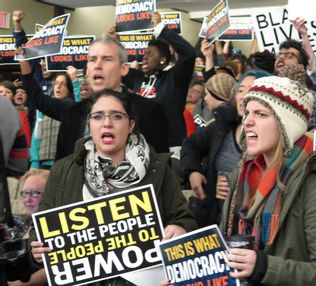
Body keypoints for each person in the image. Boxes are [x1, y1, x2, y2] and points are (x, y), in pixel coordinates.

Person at [28, 89, 196, 285]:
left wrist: (180, 228)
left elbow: (185, 219)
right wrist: (36, 249)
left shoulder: (157, 169)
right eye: (98, 116)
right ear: (89, 124)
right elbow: (41, 225)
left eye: (117, 116)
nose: (107, 123)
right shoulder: (63, 169)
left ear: (131, 124)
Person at [218, 76, 316, 285]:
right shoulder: (240, 176)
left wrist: (264, 267)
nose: (248, 121)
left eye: (261, 114)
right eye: (247, 112)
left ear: (286, 124)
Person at [19, 33, 169, 159]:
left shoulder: (150, 111)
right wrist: (23, 59)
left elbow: (160, 168)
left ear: (124, 69)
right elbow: (36, 97)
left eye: (107, 59)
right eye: (92, 59)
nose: (98, 65)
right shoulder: (72, 113)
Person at [181, 71, 270, 227]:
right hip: (214, 222)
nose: (244, 96)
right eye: (240, 90)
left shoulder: (273, 139)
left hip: (252, 228)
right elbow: (191, 145)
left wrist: (238, 188)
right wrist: (193, 171)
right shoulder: (221, 127)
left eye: (252, 90)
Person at [122, 11, 195, 154]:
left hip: (170, 148)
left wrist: (161, 29)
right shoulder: (137, 78)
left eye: (150, 54)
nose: (144, 57)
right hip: (139, 147)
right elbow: (114, 68)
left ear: (162, 59)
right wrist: (111, 38)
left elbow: (189, 53)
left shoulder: (174, 78)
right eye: (144, 53)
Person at [274, 39, 316, 129]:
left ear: (301, 67)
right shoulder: (266, 92)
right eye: (279, 55)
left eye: (289, 56)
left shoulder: (313, 101)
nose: (281, 58)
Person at [8, 169, 49, 286]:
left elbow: (56, 267)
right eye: (24, 193)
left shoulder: (55, 225)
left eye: (34, 193)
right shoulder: (23, 223)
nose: (27, 199)